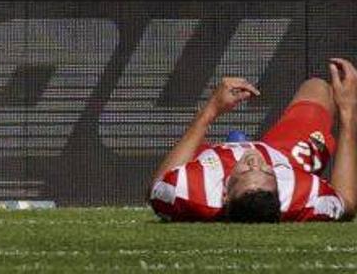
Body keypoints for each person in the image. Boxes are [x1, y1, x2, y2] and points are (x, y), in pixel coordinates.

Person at [150, 59, 357, 221]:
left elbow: (157, 186)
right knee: (318, 87)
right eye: (266, 172)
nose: (255, 161)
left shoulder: (193, 192)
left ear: (225, 196)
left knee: (180, 162)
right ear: (280, 194)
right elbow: (346, 202)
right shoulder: (299, 196)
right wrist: (348, 114)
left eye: (247, 171)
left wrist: (211, 109)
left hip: (211, 159)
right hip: (283, 158)